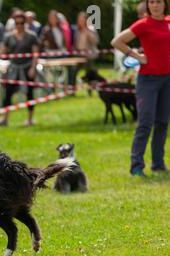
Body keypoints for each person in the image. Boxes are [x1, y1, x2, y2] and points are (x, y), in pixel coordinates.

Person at [111, 0, 170, 176]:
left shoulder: (168, 22)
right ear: (148, 5)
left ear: (164, 4)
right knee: (145, 123)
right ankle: (136, 166)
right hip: (148, 80)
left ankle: (158, 164)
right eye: (151, 1)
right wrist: (136, 55)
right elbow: (117, 41)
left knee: (162, 123)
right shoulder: (143, 24)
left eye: (158, 1)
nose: (155, 5)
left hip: (168, 80)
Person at [0, 10, 39, 127]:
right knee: (7, 94)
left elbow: (35, 54)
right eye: (17, 23)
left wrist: (33, 68)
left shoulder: (31, 36)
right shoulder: (9, 36)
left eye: (21, 23)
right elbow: (1, 51)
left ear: (25, 22)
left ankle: (30, 119)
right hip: (13, 69)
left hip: (27, 68)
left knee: (29, 94)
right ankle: (5, 119)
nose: (19, 25)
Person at [70, 12, 100, 86]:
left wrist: (87, 32)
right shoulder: (76, 29)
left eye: (82, 19)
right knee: (74, 71)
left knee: (89, 73)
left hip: (89, 54)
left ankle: (90, 90)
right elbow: (74, 41)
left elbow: (95, 41)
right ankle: (72, 89)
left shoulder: (91, 28)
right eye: (79, 19)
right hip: (79, 54)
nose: (81, 21)